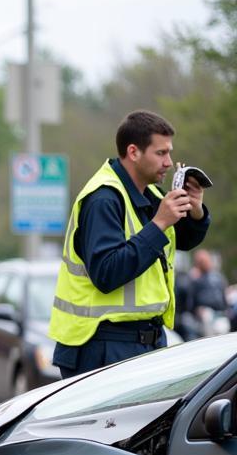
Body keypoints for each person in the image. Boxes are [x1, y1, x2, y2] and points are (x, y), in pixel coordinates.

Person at [50, 110, 210, 377]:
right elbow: (107, 273)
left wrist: (196, 211)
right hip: (101, 345)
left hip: (144, 342)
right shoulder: (104, 198)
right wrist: (158, 224)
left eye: (169, 152)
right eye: (160, 153)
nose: (169, 162)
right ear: (133, 152)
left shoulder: (149, 194)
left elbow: (182, 240)